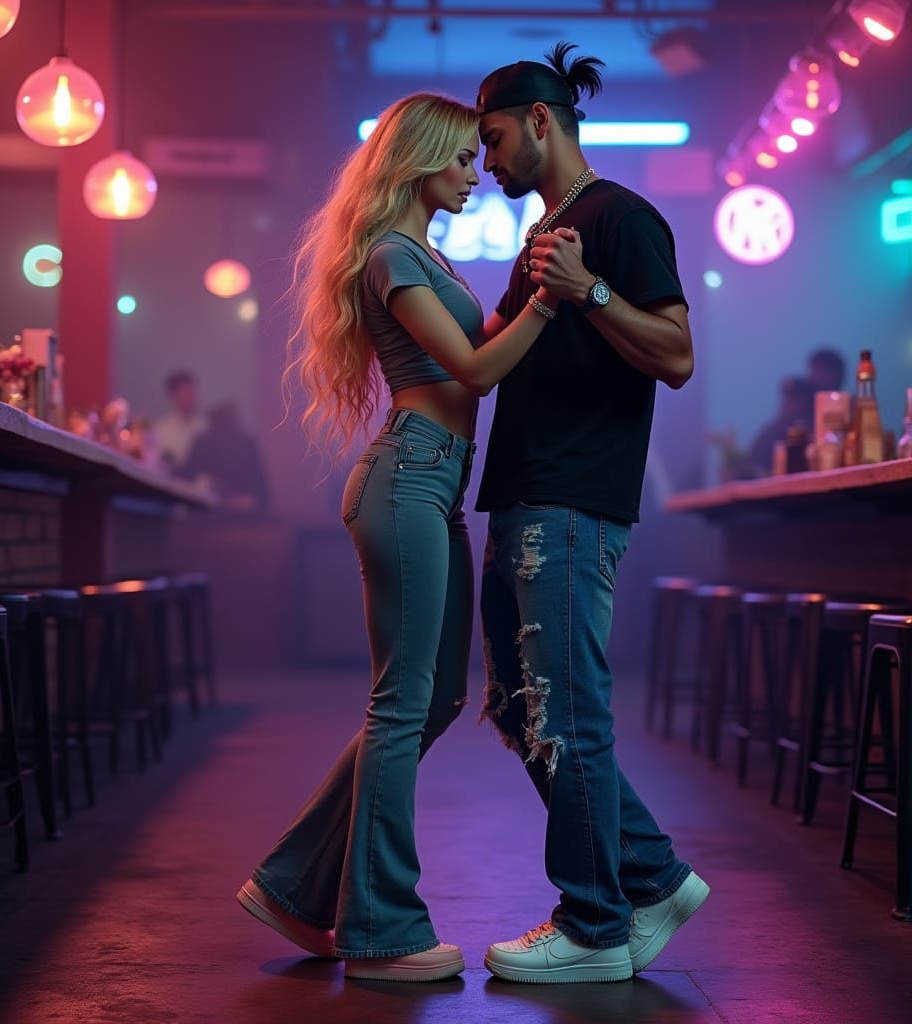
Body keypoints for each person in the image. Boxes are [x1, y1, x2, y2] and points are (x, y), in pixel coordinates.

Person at [237, 93, 558, 983]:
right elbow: (477, 368)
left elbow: (485, 337)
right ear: (420, 160)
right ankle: (379, 929)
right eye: (461, 159)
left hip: (435, 485)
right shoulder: (389, 255)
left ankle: (295, 886)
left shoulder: (426, 256)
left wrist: (535, 283)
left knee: (440, 699)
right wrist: (547, 306)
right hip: (408, 476)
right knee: (402, 701)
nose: (474, 174)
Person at [473, 43, 708, 984]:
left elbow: (678, 354)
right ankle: (650, 875)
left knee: (565, 708)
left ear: (540, 121)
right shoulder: (544, 234)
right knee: (514, 705)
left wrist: (593, 292)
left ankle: (596, 924)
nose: (485, 163)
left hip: (573, 502)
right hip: (526, 495)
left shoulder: (619, 219)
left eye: (491, 141)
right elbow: (489, 350)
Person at [180, 401, 272, 512]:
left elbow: (262, 493)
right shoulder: (203, 443)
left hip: (240, 517)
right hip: (209, 515)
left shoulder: (247, 444)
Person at [747, 375, 813, 477]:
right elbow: (752, 465)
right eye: (787, 398)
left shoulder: (814, 431)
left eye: (795, 399)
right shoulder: (769, 434)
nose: (788, 403)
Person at [154, 370, 207, 471]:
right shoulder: (160, 431)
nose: (190, 397)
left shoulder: (206, 427)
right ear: (173, 396)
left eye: (192, 392)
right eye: (185, 392)